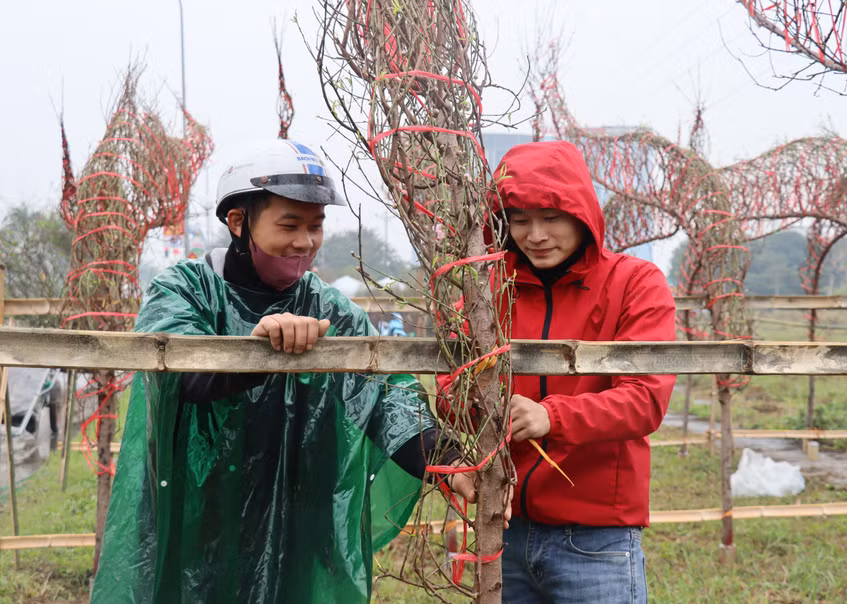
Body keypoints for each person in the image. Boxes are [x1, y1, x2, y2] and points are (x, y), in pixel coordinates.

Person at [91, 140, 494, 603]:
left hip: (295, 527)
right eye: (289, 225)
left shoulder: (328, 310)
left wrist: (446, 460)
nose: (305, 242)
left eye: (316, 227)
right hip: (197, 524)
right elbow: (181, 379)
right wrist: (256, 352)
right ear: (239, 222)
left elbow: (385, 397)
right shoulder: (183, 291)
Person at [491, 141, 676, 603]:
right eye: (519, 219)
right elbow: (455, 383)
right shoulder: (489, 289)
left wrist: (554, 417)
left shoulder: (635, 282)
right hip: (502, 529)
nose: (535, 235)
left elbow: (645, 399)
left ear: (582, 213)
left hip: (595, 539)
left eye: (551, 217)